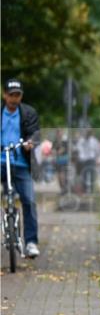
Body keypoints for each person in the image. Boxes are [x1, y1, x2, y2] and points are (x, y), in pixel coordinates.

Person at [1, 79, 41, 258]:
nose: (14, 99)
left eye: (17, 95)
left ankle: (31, 242)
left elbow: (34, 132)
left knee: (29, 201)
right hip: (1, 162)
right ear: (4, 95)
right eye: (11, 95)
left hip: (21, 163)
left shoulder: (28, 113)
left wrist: (30, 142)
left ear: (21, 96)